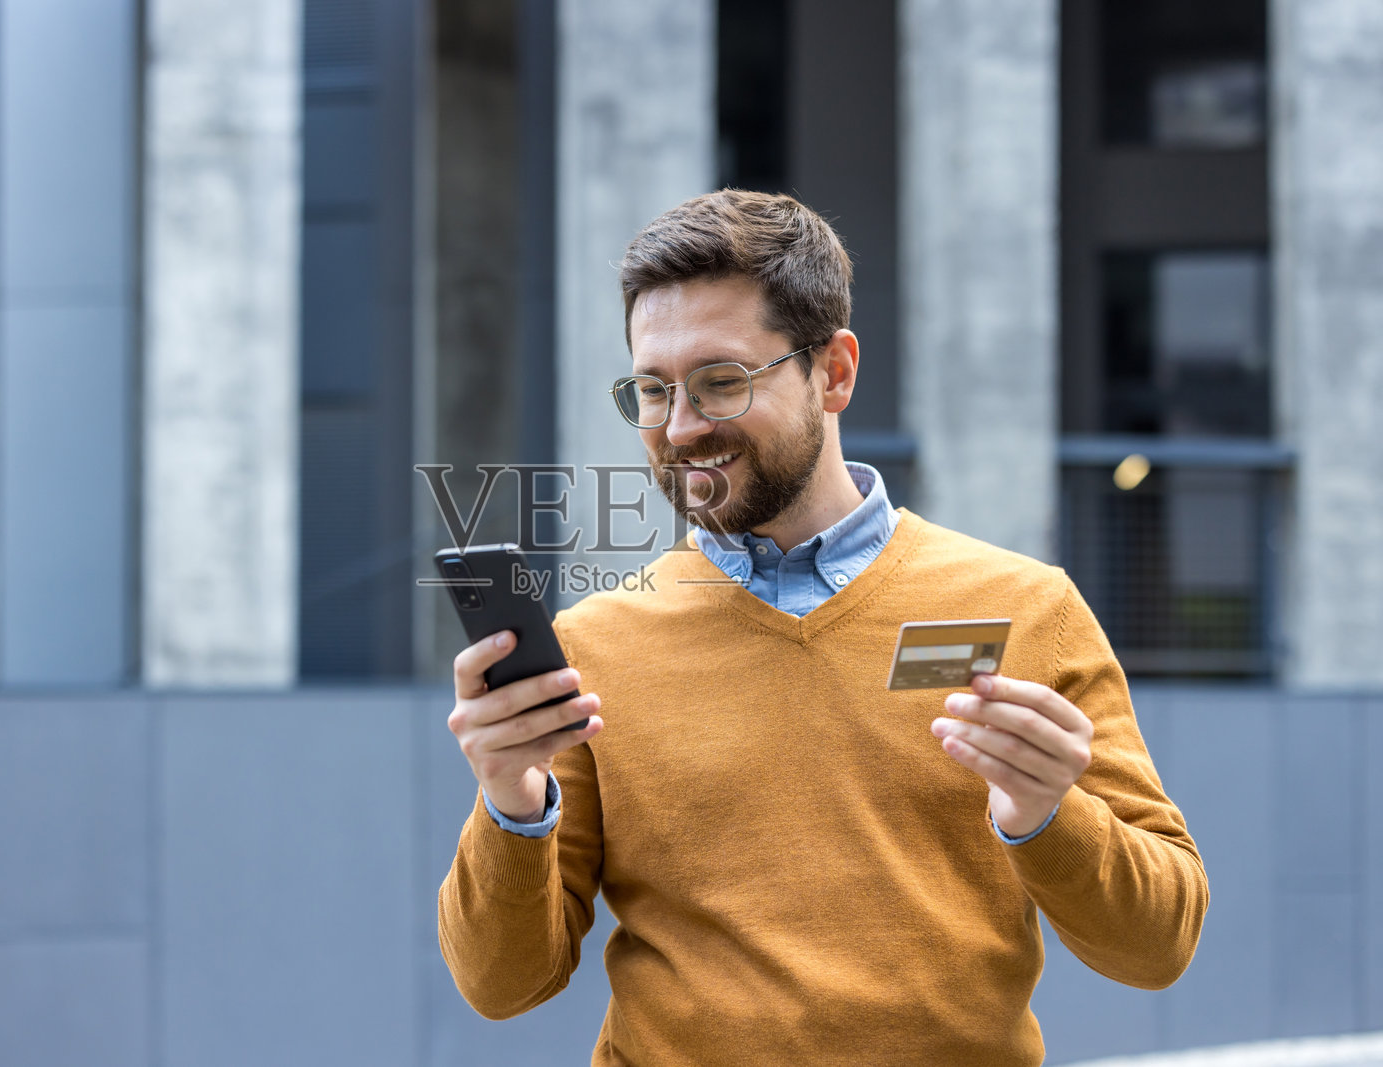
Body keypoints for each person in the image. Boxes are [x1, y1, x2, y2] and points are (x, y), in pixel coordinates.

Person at [438, 190, 1207, 1066]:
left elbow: (1159, 946)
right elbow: (502, 985)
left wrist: (1046, 815)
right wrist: (511, 803)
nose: (680, 428)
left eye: (721, 382)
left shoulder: (1028, 609)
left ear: (834, 372)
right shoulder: (593, 649)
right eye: (653, 390)